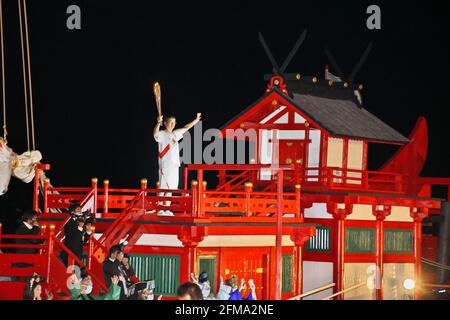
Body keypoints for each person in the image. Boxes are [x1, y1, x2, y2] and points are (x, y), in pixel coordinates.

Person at [153, 113, 202, 216]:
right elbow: (155, 134)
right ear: (165, 123)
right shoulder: (162, 134)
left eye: (174, 122)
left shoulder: (175, 134)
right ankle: (160, 209)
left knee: (171, 188)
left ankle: (167, 209)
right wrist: (158, 123)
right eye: (170, 122)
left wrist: (196, 120)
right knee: (163, 188)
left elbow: (186, 127)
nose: (172, 124)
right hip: (165, 165)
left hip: (175, 166)